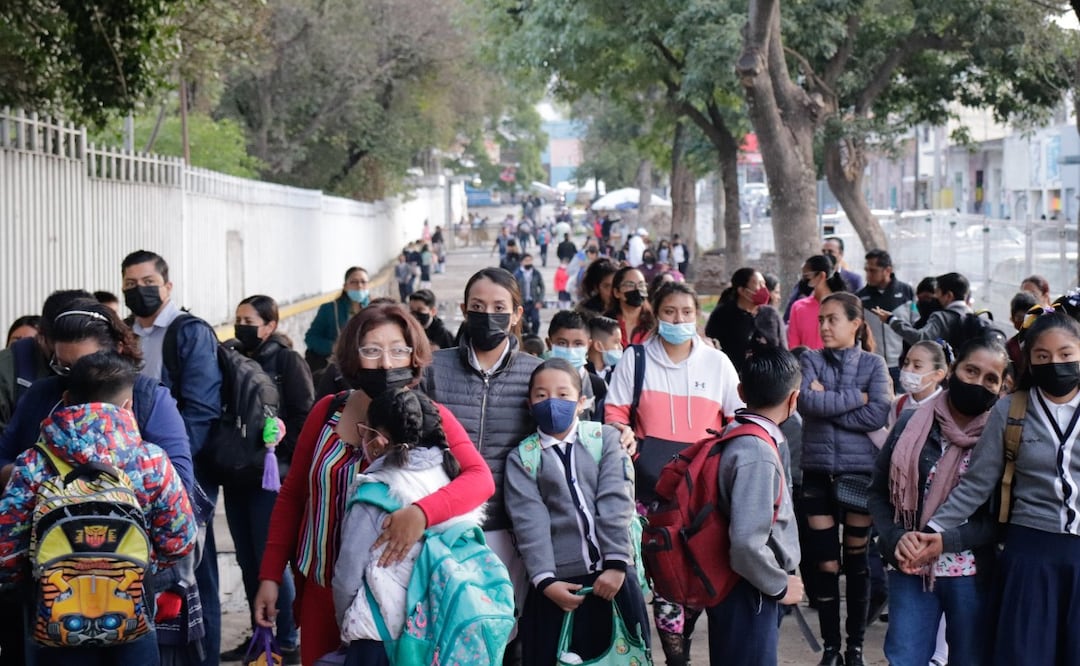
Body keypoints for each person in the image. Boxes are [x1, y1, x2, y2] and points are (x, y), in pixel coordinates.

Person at [254, 302, 495, 665]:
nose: (385, 363)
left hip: (392, 605)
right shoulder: (327, 412)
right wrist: (271, 575)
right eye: (371, 351)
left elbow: (480, 479)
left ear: (413, 356)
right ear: (353, 356)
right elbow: (293, 497)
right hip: (322, 589)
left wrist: (421, 513)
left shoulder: (429, 418)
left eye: (398, 350)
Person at [0, 350, 197, 666]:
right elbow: (181, 540)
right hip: (131, 611)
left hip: (53, 617)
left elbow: (6, 548)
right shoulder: (151, 461)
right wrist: (140, 564)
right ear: (128, 406)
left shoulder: (33, 464)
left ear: (65, 400)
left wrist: (37, 576)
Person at [923, 309, 1080, 664]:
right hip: (1029, 555)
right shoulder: (1011, 410)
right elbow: (976, 484)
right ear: (1029, 361)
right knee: (1025, 654)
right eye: (1043, 356)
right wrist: (932, 529)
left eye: (1066, 354)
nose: (1055, 364)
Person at [605, 282, 744, 666]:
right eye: (670, 311)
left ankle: (684, 633)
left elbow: (738, 417)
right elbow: (615, 411)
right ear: (657, 312)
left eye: (686, 312)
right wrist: (621, 430)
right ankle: (675, 657)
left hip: (702, 490)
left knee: (697, 567)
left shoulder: (717, 363)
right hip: (651, 488)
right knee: (664, 573)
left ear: (696, 315)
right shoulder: (635, 359)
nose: (678, 319)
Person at [419, 267, 542, 664]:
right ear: (463, 310)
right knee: (448, 629)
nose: (488, 315)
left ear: (517, 314)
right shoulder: (433, 368)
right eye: (478, 306)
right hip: (445, 525)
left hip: (508, 526)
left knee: (503, 630)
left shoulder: (534, 373)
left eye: (499, 307)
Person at [866, 336, 1008, 666]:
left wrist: (944, 541)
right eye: (971, 371)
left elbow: (1000, 520)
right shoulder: (910, 423)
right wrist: (896, 537)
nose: (978, 383)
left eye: (991, 379)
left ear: (1002, 387)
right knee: (905, 658)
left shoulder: (1002, 438)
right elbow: (878, 493)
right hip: (911, 565)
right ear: (953, 369)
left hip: (970, 574)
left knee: (970, 659)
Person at [505, 358, 649, 666]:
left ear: (581, 401)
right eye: (541, 395)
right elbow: (529, 522)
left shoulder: (605, 439)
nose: (552, 402)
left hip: (614, 577)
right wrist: (545, 581)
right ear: (530, 404)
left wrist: (616, 564)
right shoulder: (523, 458)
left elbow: (616, 501)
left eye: (563, 394)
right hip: (560, 587)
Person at [332, 388, 487, 666]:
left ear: (378, 440)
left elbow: (347, 577)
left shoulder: (373, 494)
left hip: (377, 637)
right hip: (436, 636)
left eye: (365, 431)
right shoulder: (450, 479)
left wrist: (345, 622)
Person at [121, 249, 223, 666]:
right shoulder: (124, 334)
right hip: (134, 474)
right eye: (130, 284)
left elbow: (201, 409)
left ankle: (205, 657)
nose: (139, 290)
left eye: (148, 282)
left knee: (196, 573)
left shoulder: (189, 332)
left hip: (184, 470)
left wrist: (170, 470)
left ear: (168, 285)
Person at [218, 295, 314, 663]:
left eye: (249, 321)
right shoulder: (231, 358)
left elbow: (304, 417)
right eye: (238, 319)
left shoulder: (287, 361)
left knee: (269, 561)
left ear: (270, 325)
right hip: (237, 475)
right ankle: (261, 634)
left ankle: (287, 639)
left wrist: (277, 447)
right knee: (246, 560)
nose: (241, 326)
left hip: (270, 478)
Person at [797, 292, 891, 666]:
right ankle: (831, 647)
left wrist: (830, 402)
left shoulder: (874, 363)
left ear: (855, 323)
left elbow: (877, 414)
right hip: (817, 474)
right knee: (825, 564)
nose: (824, 326)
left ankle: (855, 647)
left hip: (859, 474)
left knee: (857, 561)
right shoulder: (810, 359)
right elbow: (806, 403)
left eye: (832, 319)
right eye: (821, 319)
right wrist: (857, 397)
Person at [707, 345, 804, 666]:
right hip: (749, 588)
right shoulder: (757, 452)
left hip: (741, 585)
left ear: (740, 392)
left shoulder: (736, 434)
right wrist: (779, 586)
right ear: (794, 398)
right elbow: (747, 544)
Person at [0, 290, 90, 435]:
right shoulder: (7, 372)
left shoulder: (115, 371)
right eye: (61, 360)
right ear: (41, 336)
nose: (69, 368)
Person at [705, 267, 785, 376]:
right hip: (733, 377)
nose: (763, 288)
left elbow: (783, 349)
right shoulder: (722, 315)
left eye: (764, 284)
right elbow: (711, 347)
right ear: (742, 291)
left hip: (769, 379)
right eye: (759, 284)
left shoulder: (771, 314)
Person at [858, 249, 915, 387]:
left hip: (902, 365)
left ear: (887, 270)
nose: (868, 275)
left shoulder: (907, 292)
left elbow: (915, 325)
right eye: (866, 270)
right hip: (873, 365)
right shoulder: (860, 297)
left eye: (873, 271)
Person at [876, 272, 973, 350]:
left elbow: (921, 339)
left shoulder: (941, 317)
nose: (936, 297)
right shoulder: (975, 317)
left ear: (948, 296)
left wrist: (891, 320)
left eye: (938, 293)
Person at [305, 266, 371, 373]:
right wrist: (333, 347)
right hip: (338, 369)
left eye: (363, 282)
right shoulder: (330, 309)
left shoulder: (374, 310)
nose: (359, 286)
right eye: (354, 282)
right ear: (345, 286)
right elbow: (311, 338)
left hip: (366, 367)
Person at [546, 310, 605, 422]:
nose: (570, 350)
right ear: (549, 344)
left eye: (578, 344)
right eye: (562, 343)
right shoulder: (538, 380)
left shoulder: (597, 385)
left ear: (588, 345)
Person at [788, 255, 847, 350]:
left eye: (806, 276)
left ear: (821, 276)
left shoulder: (842, 306)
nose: (803, 281)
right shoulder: (798, 307)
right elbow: (793, 345)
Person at [890, 341, 948, 426]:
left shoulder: (947, 407)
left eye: (917, 366)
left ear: (937, 375)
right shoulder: (898, 403)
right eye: (906, 363)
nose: (908, 369)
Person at [605, 266, 653, 348]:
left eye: (641, 285)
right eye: (630, 285)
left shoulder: (655, 325)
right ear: (616, 292)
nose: (637, 289)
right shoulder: (606, 325)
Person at [1005, 291, 1038, 375]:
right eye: (1020, 318)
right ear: (1012, 319)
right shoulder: (1010, 346)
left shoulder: (1045, 340)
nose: (1024, 323)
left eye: (1028, 319)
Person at [585, 315, 623, 387]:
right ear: (598, 346)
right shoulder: (581, 373)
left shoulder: (620, 373)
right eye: (616, 342)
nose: (621, 348)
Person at [514, 253, 545, 337]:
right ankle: (526, 338)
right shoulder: (517, 274)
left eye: (530, 260)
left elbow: (542, 287)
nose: (529, 262)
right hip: (522, 303)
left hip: (534, 302)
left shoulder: (536, 273)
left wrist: (540, 301)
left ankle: (534, 337)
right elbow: (513, 289)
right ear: (521, 262)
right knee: (523, 323)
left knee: (536, 321)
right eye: (526, 260)